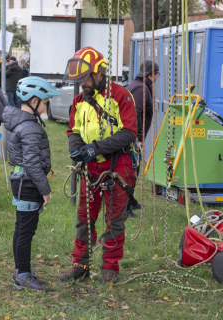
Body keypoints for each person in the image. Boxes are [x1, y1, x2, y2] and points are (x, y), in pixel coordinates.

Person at [60, 47, 138, 285]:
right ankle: (81, 265)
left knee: (115, 219)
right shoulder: (79, 101)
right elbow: (73, 129)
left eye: (86, 78)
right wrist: (76, 146)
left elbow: (129, 133)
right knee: (84, 218)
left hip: (118, 165)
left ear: (99, 73)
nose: (82, 83)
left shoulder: (120, 96)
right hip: (91, 169)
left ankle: (110, 267)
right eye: (79, 80)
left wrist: (97, 147)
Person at [2, 76, 60, 291]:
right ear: (34, 101)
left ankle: (20, 271)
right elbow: (33, 163)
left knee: (20, 230)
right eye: (44, 102)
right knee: (25, 232)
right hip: (28, 184)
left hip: (20, 181)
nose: (46, 106)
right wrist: (45, 190)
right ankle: (23, 276)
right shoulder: (31, 128)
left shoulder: (18, 122)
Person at [126, 60, 160, 218]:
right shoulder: (140, 89)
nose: (157, 77)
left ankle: (130, 200)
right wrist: (139, 139)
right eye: (157, 74)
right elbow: (136, 114)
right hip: (132, 138)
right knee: (131, 171)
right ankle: (125, 206)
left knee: (134, 169)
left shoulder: (138, 85)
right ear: (151, 74)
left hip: (131, 136)